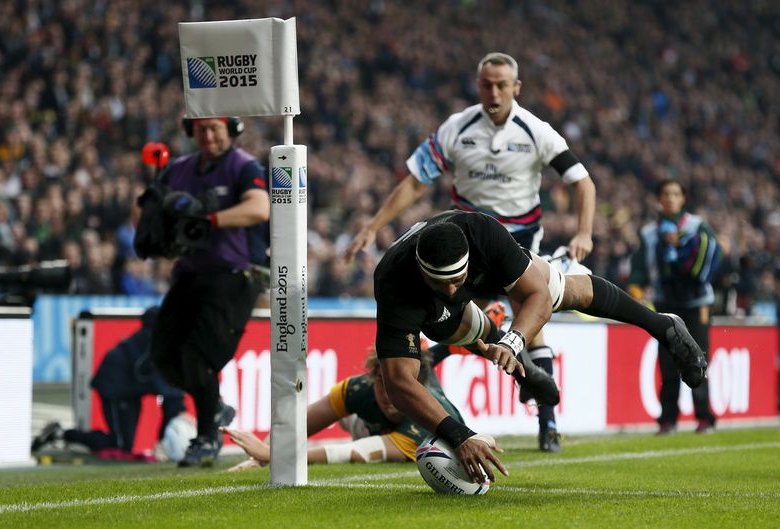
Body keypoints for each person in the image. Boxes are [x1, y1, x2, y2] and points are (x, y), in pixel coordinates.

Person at [345, 52, 596, 452]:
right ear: (478, 85)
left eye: (501, 85)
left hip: (516, 242)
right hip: (465, 248)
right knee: (461, 326)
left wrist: (584, 232)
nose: (493, 92)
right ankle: (434, 414)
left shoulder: (537, 130)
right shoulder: (456, 129)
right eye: (486, 84)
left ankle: (547, 424)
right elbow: (414, 182)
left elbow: (582, 182)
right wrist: (374, 225)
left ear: (516, 88)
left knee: (531, 318)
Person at [374, 210, 707, 484]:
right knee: (457, 329)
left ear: (466, 266)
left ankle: (662, 325)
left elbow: (539, 299)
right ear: (421, 270)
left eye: (456, 281)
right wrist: (459, 435)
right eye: (440, 282)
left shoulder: (483, 234)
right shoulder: (394, 283)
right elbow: (399, 382)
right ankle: (526, 370)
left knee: (564, 291)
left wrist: (513, 338)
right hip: (428, 301)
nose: (450, 291)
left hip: (483, 260)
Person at [148, 116, 270, 467]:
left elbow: (259, 208)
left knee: (198, 356)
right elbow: (149, 210)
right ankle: (214, 407)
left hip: (235, 274)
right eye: (201, 128)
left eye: (215, 128)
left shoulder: (244, 166)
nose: (208, 135)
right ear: (191, 131)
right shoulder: (179, 169)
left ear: (231, 130)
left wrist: (208, 220)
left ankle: (206, 438)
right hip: (189, 272)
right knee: (163, 354)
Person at [220, 347, 468, 470]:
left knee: (364, 435)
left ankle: (352, 421)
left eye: (402, 387)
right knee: (357, 416)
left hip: (396, 437)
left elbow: (357, 452)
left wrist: (274, 456)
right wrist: (261, 455)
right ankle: (349, 419)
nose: (389, 395)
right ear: (372, 377)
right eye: (383, 383)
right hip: (374, 423)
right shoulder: (358, 388)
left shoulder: (427, 421)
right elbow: (297, 425)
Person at [628, 179, 721, 435]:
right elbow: (639, 268)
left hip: (696, 302)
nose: (670, 198)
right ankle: (667, 419)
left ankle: (704, 418)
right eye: (666, 193)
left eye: (675, 193)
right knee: (668, 362)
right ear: (659, 198)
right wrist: (635, 287)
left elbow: (711, 261)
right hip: (665, 303)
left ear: (683, 199)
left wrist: (680, 247)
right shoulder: (648, 232)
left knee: (699, 357)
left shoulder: (697, 226)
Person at [31, 307, 185, 460]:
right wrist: (168, 431)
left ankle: (64, 434)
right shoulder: (157, 344)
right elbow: (170, 395)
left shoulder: (152, 340)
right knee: (120, 445)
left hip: (127, 388)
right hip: (116, 387)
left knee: (123, 443)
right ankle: (62, 434)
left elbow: (169, 393)